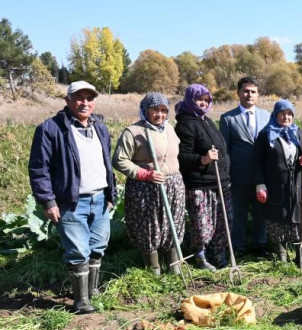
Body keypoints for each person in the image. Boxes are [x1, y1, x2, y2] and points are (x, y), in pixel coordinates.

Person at [28, 81, 117, 314]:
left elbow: (106, 164)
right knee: (78, 250)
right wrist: (48, 201)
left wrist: (111, 193)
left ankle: (92, 290)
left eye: (89, 98)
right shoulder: (51, 129)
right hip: (71, 201)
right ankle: (80, 301)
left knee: (98, 245)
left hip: (100, 198)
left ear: (94, 102)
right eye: (79, 98)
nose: (84, 103)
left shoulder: (101, 128)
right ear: (67, 101)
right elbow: (39, 169)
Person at [112, 92, 186, 275]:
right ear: (145, 110)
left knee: (173, 223)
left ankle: (173, 264)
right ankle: (153, 268)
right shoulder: (134, 132)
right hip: (146, 188)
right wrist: (146, 174)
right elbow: (119, 160)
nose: (160, 114)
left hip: (173, 185)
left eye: (163, 110)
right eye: (155, 110)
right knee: (149, 226)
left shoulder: (169, 129)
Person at [254, 100, 302, 267]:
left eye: (289, 114)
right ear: (275, 115)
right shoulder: (265, 135)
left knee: (298, 218)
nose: (286, 117)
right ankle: (281, 254)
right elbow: (257, 162)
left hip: (297, 184)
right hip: (275, 185)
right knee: (277, 219)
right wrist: (260, 184)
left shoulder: (298, 133)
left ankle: (300, 254)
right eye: (282, 113)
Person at [175, 84, 231, 271]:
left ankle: (218, 253)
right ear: (190, 100)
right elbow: (181, 156)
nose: (204, 103)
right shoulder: (185, 124)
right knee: (202, 225)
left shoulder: (206, 120)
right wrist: (203, 159)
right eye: (200, 99)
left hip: (220, 182)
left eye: (207, 100)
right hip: (199, 184)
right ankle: (200, 256)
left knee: (222, 223)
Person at [219, 77, 271, 256]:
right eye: (246, 91)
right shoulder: (228, 118)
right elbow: (224, 150)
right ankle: (238, 247)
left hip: (262, 175)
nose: (249, 95)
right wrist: (226, 174)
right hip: (238, 174)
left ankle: (260, 245)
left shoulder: (267, 116)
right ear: (238, 93)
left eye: (253, 92)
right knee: (238, 213)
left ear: (258, 94)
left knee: (261, 212)